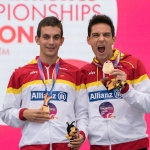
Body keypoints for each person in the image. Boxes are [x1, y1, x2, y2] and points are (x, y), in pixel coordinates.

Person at [0, 16, 88, 150]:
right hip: (32, 146)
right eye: (46, 37)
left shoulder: (74, 73)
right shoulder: (20, 74)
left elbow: (82, 112)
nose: (51, 42)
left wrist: (81, 133)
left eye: (56, 37)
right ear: (37, 39)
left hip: (65, 146)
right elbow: (6, 113)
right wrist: (23, 113)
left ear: (62, 41)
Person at [81, 14, 150, 150]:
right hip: (99, 147)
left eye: (106, 35)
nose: (101, 39)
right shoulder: (84, 73)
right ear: (88, 40)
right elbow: (82, 113)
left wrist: (126, 89)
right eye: (96, 35)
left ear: (113, 39)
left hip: (133, 145)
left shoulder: (133, 64)